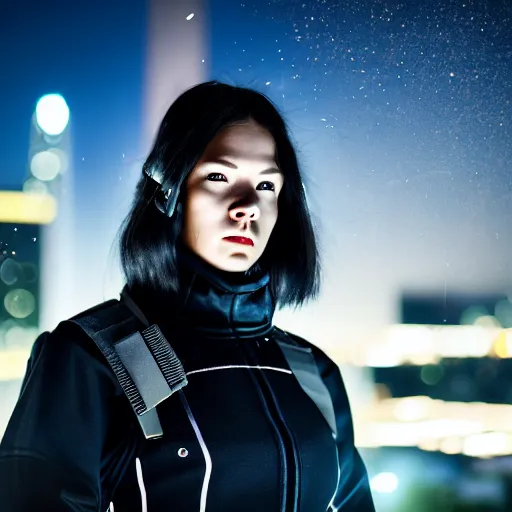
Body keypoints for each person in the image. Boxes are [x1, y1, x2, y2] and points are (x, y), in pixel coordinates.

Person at [0, 81, 375, 511]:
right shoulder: (92, 359)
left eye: (267, 186)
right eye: (218, 176)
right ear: (167, 192)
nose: (247, 205)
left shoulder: (313, 373)